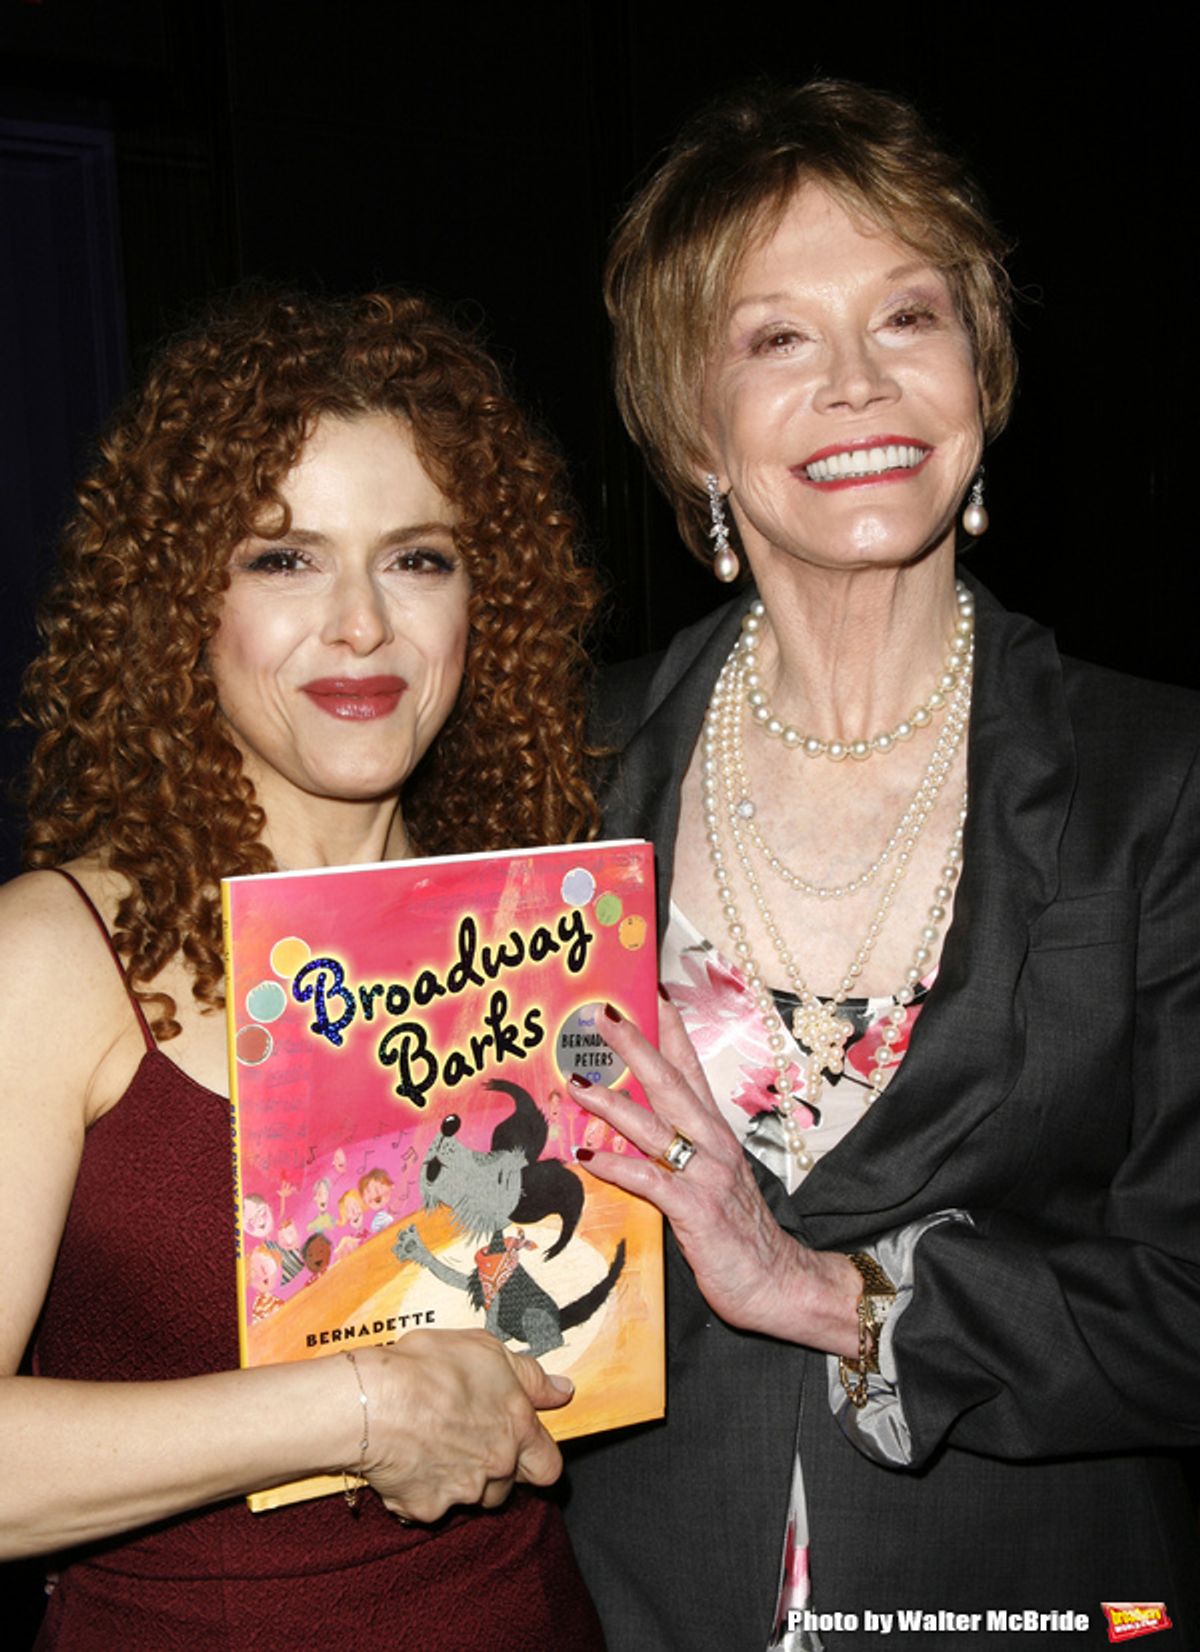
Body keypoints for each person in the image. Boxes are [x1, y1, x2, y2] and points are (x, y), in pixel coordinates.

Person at [563, 80, 1200, 1652]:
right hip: (640, 1592)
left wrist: (827, 1293)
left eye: (910, 318)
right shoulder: (558, 773)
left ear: (978, 372)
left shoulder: (1157, 777)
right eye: (778, 338)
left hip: (1040, 1597)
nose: (859, 383)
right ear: (690, 418)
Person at [1, 288, 605, 1649]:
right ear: (181, 600)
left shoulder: (547, 938)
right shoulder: (58, 956)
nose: (360, 628)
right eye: (282, 559)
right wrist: (360, 1408)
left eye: (418, 558)